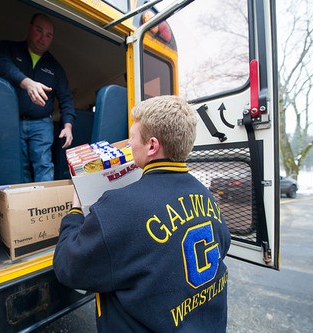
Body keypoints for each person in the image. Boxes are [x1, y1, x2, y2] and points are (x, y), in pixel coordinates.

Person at [53, 95, 231, 332]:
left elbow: (69, 267)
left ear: (152, 146)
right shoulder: (206, 195)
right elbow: (223, 244)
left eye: (132, 137)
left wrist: (75, 211)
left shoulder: (118, 206)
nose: (128, 145)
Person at [0, 13, 75, 182]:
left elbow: (66, 99)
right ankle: (24, 206)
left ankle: (45, 206)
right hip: (11, 122)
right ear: (30, 28)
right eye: (39, 31)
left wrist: (68, 126)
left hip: (42, 123)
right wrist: (27, 83)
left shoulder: (56, 68)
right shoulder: (9, 48)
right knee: (18, 166)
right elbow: (0, 62)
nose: (43, 38)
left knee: (43, 164)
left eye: (48, 35)